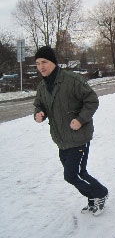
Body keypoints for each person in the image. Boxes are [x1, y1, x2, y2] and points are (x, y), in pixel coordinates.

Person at [33, 46, 108, 216]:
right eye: (37, 63)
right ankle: (92, 200)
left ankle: (100, 193)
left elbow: (92, 101)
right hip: (61, 139)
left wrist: (81, 119)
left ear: (53, 62)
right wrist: (39, 113)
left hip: (79, 137)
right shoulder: (42, 87)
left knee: (71, 175)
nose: (41, 66)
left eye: (44, 62)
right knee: (79, 173)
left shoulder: (71, 80)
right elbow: (39, 104)